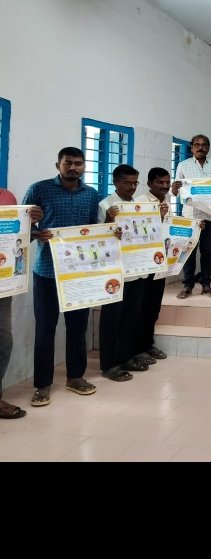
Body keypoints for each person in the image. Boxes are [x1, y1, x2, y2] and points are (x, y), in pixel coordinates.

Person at [23, 148, 101, 405]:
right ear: (58, 165)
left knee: (78, 327)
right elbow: (21, 225)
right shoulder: (39, 189)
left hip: (79, 272)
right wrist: (36, 233)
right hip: (46, 271)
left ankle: (75, 377)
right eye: (68, 163)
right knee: (45, 329)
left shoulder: (91, 195)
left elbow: (94, 229)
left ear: (84, 166)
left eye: (78, 163)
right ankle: (43, 385)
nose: (73, 168)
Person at [98, 163, 151, 382]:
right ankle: (109, 364)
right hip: (115, 272)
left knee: (131, 316)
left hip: (137, 270)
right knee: (112, 319)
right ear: (115, 182)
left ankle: (126, 357)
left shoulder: (137, 206)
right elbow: (97, 239)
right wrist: (108, 221)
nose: (132, 187)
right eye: (127, 183)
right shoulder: (105, 205)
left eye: (135, 183)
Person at [0, 186, 44, 419]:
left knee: (3, 342)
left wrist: (31, 227)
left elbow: (16, 239)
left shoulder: (7, 197)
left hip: (3, 286)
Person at [173, 133, 211, 299]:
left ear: (208, 148)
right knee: (189, 251)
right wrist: (174, 188)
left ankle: (206, 285)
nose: (200, 147)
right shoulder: (183, 165)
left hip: (210, 216)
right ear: (192, 148)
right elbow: (176, 192)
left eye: (204, 145)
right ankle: (187, 286)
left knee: (207, 252)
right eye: (197, 145)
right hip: (190, 217)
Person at [135, 167, 173, 360]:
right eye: (160, 182)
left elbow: (169, 228)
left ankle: (148, 345)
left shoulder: (167, 201)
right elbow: (139, 232)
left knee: (153, 307)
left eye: (167, 182)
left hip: (160, 262)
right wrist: (158, 217)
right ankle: (137, 349)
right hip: (143, 263)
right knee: (140, 307)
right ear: (149, 183)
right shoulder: (140, 203)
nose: (164, 186)